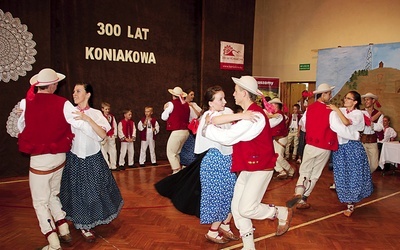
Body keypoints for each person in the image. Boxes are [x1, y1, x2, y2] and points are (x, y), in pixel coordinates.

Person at [204, 76, 292, 250]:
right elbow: (232, 132)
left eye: (236, 91)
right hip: (248, 167)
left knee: (246, 209)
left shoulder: (255, 116)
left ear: (244, 93)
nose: (233, 94)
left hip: (261, 167)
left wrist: (207, 128)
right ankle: (249, 247)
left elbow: (228, 138)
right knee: (236, 209)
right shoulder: (248, 115)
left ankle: (281, 212)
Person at [17, 68, 83, 250]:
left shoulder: (26, 103)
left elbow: (20, 128)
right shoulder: (64, 103)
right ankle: (63, 229)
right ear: (52, 84)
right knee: (53, 194)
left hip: (40, 158)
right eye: (56, 83)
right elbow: (77, 123)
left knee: (40, 201)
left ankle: (53, 242)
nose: (57, 86)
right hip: (59, 156)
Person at [60, 83, 123, 242]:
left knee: (94, 191)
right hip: (74, 157)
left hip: (93, 158)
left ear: (88, 94)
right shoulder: (70, 112)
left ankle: (89, 220)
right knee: (78, 192)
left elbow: (103, 135)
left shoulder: (96, 114)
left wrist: (87, 119)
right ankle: (83, 224)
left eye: (78, 91)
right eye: (74, 91)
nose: (74, 94)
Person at [286, 83, 338, 210]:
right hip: (324, 145)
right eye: (329, 93)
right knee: (315, 174)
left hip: (310, 144)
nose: (330, 96)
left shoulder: (309, 109)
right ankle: (303, 199)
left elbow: (303, 126)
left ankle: (298, 192)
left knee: (304, 171)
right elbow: (336, 127)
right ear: (324, 94)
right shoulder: (331, 110)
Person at [329, 91, 373, 216]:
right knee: (341, 174)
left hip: (352, 147)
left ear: (355, 102)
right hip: (340, 147)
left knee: (354, 174)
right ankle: (348, 201)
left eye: (349, 98)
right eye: (345, 98)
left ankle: (351, 204)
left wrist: (336, 110)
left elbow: (346, 122)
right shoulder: (342, 111)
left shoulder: (358, 113)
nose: (345, 100)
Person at [161, 86, 190, 174]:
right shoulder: (186, 105)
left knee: (170, 152)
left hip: (177, 131)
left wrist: (165, 109)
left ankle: (176, 172)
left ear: (173, 95)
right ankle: (179, 171)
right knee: (176, 152)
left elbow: (163, 117)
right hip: (186, 131)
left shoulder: (171, 104)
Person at [268, 98, 295, 179]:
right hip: (276, 139)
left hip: (281, 138)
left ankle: (290, 170)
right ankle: (281, 171)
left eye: (272, 104)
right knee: (273, 156)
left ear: (276, 105)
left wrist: (268, 115)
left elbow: (277, 117)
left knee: (278, 156)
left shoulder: (279, 114)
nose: (271, 106)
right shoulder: (276, 114)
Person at [360, 92, 384, 173]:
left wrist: (371, 124)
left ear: (373, 101)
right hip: (362, 141)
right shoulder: (360, 112)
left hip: (372, 141)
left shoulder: (379, 114)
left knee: (374, 164)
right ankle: (364, 181)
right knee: (364, 162)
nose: (365, 101)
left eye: (368, 100)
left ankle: (365, 177)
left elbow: (380, 128)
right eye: (365, 100)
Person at [179, 89, 202, 167]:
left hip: (194, 128)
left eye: (193, 94)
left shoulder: (194, 104)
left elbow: (199, 114)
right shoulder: (182, 104)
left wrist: (192, 106)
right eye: (191, 94)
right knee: (184, 145)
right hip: (186, 127)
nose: (193, 96)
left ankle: (192, 163)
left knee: (192, 145)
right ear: (186, 95)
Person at [100, 102, 118, 171]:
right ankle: (107, 165)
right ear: (102, 109)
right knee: (104, 150)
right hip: (104, 136)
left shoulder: (111, 117)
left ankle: (114, 165)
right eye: (106, 109)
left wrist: (114, 134)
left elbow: (114, 125)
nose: (107, 111)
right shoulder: (100, 117)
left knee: (113, 150)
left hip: (111, 135)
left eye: (108, 109)